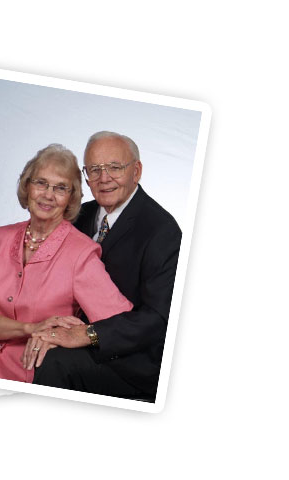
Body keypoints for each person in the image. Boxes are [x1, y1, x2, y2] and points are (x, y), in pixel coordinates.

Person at [0, 144, 132, 383]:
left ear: (71, 197)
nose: (48, 195)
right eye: (41, 183)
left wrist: (73, 335)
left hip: (36, 373)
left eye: (61, 188)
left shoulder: (80, 253)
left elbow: (120, 324)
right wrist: (33, 327)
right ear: (27, 186)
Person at [30, 131, 182, 401]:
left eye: (114, 167)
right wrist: (47, 329)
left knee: (53, 364)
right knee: (27, 353)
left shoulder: (162, 230)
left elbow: (157, 319)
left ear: (136, 171)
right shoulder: (79, 216)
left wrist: (86, 334)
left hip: (132, 362)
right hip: (76, 337)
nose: (104, 178)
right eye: (94, 169)